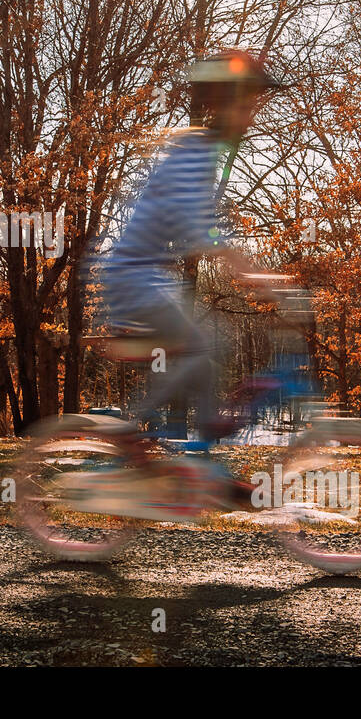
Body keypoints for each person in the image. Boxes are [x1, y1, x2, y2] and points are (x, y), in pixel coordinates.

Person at [98, 49, 287, 445]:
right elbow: (201, 230)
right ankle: (130, 431)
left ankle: (203, 462)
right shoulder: (194, 153)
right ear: (223, 104)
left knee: (205, 358)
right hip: (133, 278)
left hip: (143, 278)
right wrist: (253, 275)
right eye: (247, 105)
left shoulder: (200, 151)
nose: (251, 117)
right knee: (202, 348)